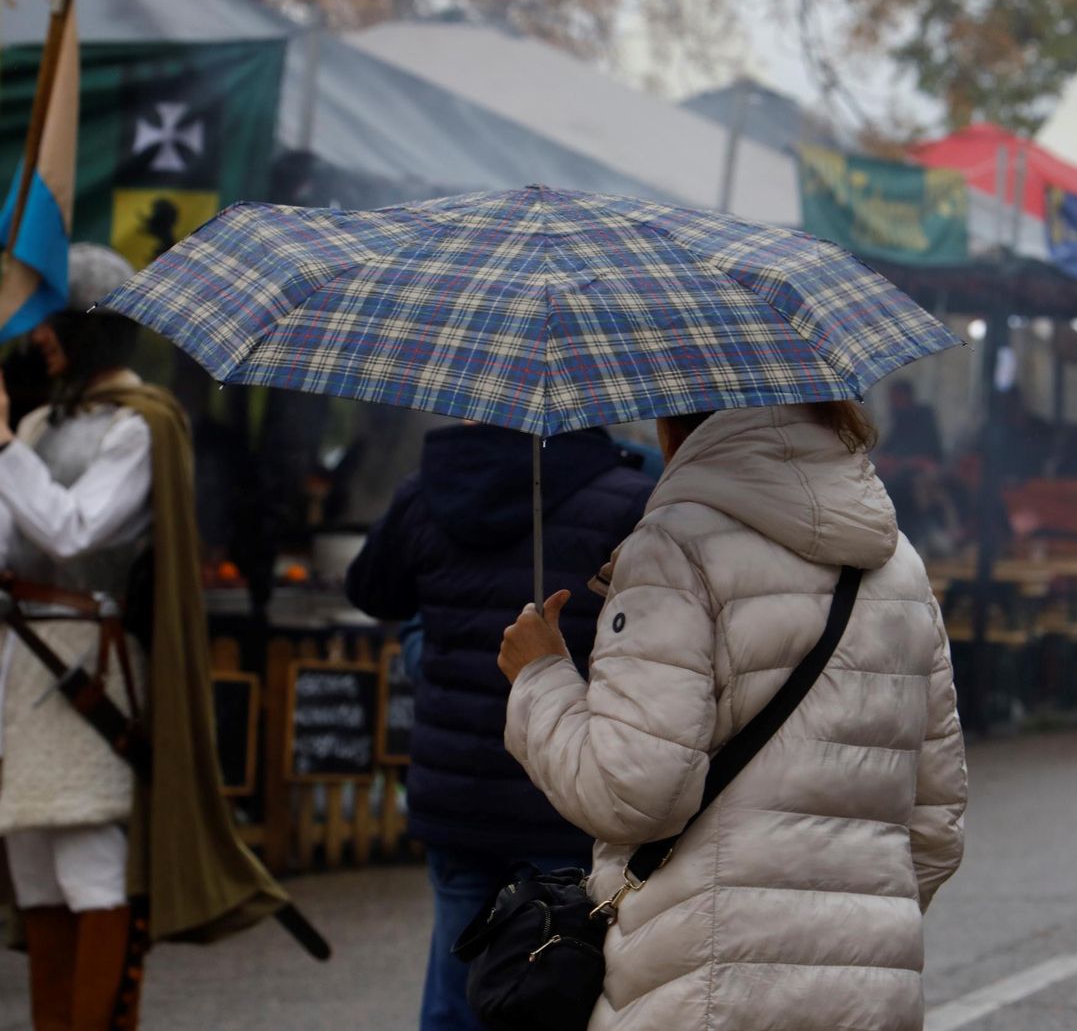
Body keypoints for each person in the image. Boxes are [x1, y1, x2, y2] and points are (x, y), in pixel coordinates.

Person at [497, 402, 967, 1031]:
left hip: (705, 988)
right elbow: (936, 827)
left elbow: (631, 790)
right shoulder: (898, 565)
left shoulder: (673, 546)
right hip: (870, 994)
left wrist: (540, 679)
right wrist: (849, 936)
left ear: (675, 420)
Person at [0, 294, 290, 1030]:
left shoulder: (143, 424)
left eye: (51, 323)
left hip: (88, 666)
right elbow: (15, 542)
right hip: (22, 665)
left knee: (90, 858)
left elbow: (75, 533)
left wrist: (4, 451)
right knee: (33, 868)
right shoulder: (39, 425)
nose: (38, 339)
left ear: (87, 330)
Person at [345, 422, 654, 1031]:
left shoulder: (425, 492)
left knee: (457, 988)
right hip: (564, 787)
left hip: (458, 793)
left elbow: (372, 590)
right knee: (557, 984)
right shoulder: (631, 499)